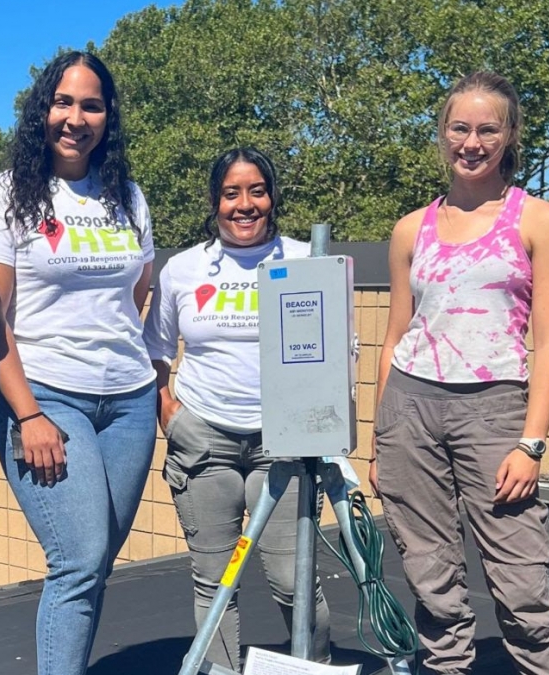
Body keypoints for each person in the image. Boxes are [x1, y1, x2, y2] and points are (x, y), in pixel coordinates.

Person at [370, 72, 549, 675]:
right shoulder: (412, 227)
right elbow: (394, 337)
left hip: (496, 412)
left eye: (488, 129)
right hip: (410, 409)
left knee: (522, 581)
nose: (472, 141)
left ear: (509, 135)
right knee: (430, 575)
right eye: (460, 127)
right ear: (442, 133)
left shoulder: (538, 221)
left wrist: (531, 443)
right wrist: (382, 439)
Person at [0, 51, 157, 675]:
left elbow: (139, 291)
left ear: (108, 117)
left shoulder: (126, 195)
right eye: (64, 102)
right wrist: (28, 414)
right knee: (78, 558)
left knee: (95, 563)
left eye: (92, 105)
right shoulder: (5, 195)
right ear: (42, 109)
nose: (76, 117)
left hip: (130, 401)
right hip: (48, 397)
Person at [142, 147, 332, 669]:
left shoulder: (304, 260)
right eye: (231, 193)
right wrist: (171, 416)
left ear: (272, 197)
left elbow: (337, 347)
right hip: (204, 441)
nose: (244, 205)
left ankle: (312, 668)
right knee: (215, 586)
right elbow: (155, 351)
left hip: (283, 444)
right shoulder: (184, 269)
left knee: (296, 583)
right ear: (214, 201)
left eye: (256, 191)